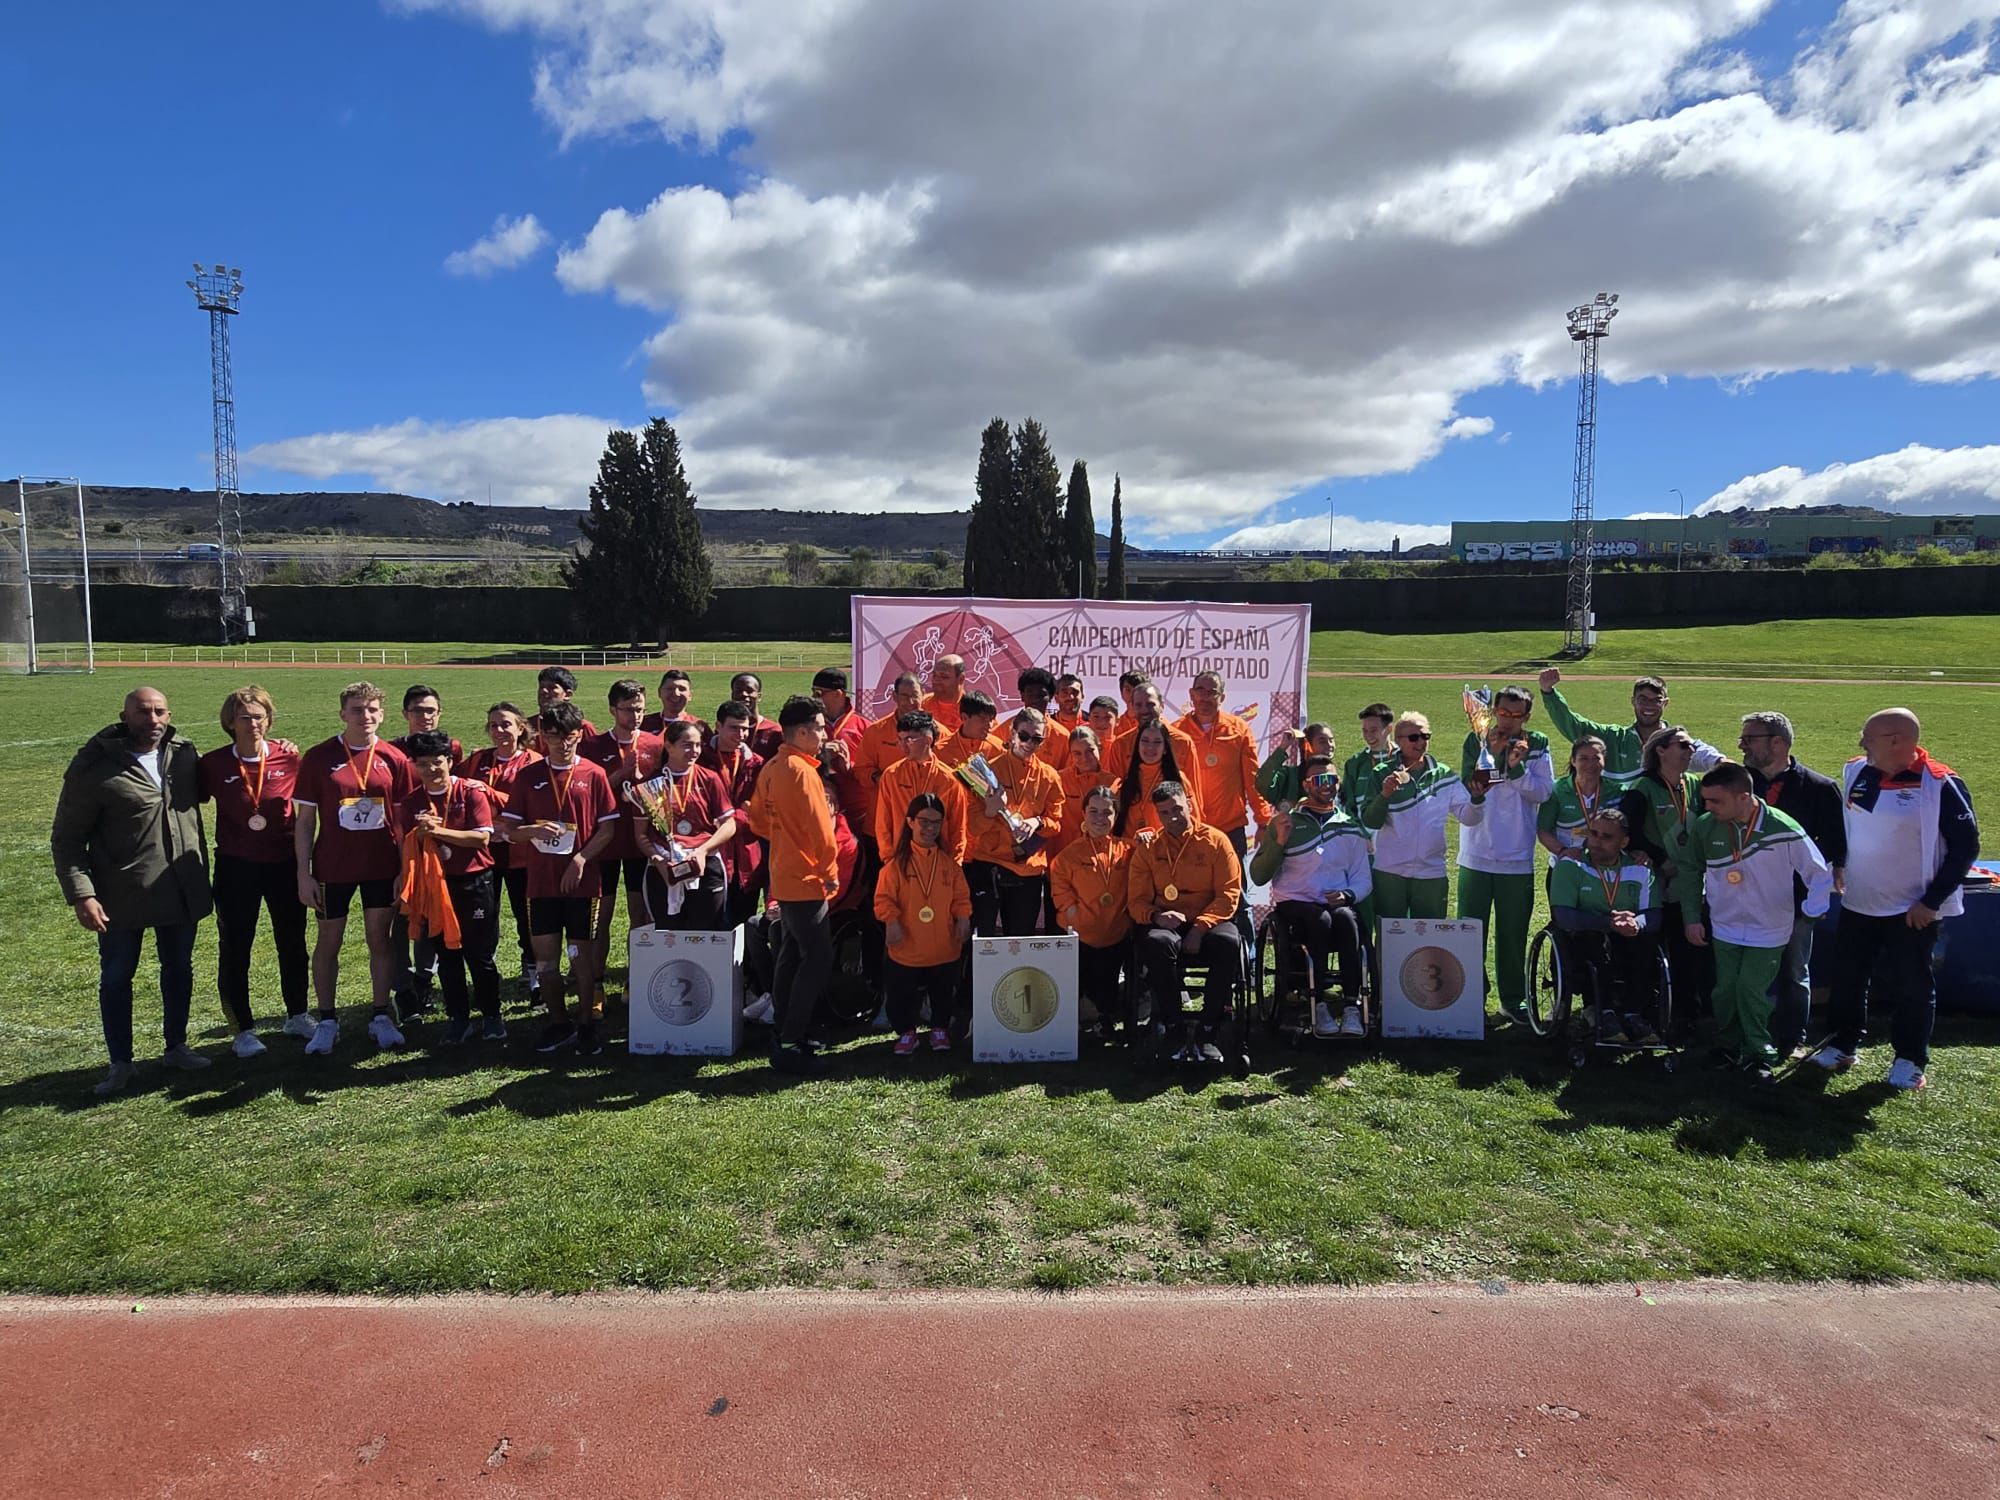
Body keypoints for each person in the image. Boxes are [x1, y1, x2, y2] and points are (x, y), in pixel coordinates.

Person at [52, 686, 216, 1095]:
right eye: (143, 713)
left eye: (160, 712)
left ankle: (176, 1046)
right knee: (116, 976)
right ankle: (120, 1063)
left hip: (179, 889)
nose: (153, 720)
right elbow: (68, 837)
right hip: (119, 896)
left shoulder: (183, 753)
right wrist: (82, 894)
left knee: (178, 969)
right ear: (124, 716)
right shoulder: (94, 766)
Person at [1810, 708, 1979, 1091]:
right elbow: (1848, 826)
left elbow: (1966, 846)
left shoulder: (1940, 783)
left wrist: (1931, 901)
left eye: (1868, 736)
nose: (1861, 743)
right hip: (1859, 900)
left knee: (1912, 985)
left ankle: (1909, 1059)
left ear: (1897, 741)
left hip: (1912, 909)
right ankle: (1841, 1043)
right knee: (1849, 977)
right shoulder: (1856, 771)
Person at [1682, 762, 1834, 1077]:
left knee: (1750, 989)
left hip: (1770, 928)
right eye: (1705, 801)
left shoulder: (1782, 827)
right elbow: (1690, 870)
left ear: (1743, 797)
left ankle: (1758, 1051)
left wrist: (1811, 910)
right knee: (1724, 990)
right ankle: (1727, 1044)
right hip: (1724, 924)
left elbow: (1818, 871)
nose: (1708, 808)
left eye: (1715, 801)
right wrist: (1692, 917)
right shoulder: (1706, 826)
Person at [292, 681, 416, 1055]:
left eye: (373, 710)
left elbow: (404, 821)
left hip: (381, 864)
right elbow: (304, 821)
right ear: (343, 713)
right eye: (358, 710)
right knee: (329, 941)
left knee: (380, 939)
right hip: (333, 867)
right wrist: (303, 871)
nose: (366, 717)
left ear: (383, 713)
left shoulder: (394, 758)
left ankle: (380, 1014)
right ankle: (327, 1020)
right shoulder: (318, 757)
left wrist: (404, 869)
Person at [501, 700, 619, 1056]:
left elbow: (607, 829)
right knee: (547, 961)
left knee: (580, 957)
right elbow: (507, 829)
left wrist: (581, 859)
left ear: (579, 735)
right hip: (541, 883)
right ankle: (557, 1023)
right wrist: (532, 830)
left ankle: (586, 1024)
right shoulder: (529, 776)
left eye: (568, 736)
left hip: (582, 883)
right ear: (542, 738)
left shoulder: (594, 774)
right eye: (553, 736)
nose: (561, 743)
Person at [198, 686, 310, 1056]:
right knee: (236, 946)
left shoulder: (290, 758)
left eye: (259, 716)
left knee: (292, 942)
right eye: (244, 717)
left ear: (269, 719)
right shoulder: (213, 765)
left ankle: (297, 1013)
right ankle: (242, 1029)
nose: (253, 723)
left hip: (285, 863)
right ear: (230, 722)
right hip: (236, 866)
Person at [737, 695, 842, 1075]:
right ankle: (790, 1038)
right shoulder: (803, 771)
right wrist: (828, 870)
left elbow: (757, 822)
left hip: (784, 873)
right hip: (808, 878)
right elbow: (822, 830)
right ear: (801, 731)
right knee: (816, 957)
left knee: (793, 954)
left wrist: (784, 843)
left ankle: (784, 1030)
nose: (823, 732)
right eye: (818, 726)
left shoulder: (773, 767)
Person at [1735, 711, 1847, 1057]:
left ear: (1778, 743)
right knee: (1744, 969)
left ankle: (1792, 1037)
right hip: (1743, 895)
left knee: (1794, 971)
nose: (1742, 745)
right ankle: (1744, 1033)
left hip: (1794, 899)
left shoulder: (1819, 788)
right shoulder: (1737, 783)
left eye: (1750, 738)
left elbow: (1834, 845)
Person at [1249, 754, 1372, 1037]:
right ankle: (1318, 1004)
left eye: (1330, 779)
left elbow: (1362, 877)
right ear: (1306, 785)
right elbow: (1258, 875)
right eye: (1318, 780)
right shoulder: (1285, 823)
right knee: (1321, 920)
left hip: (1334, 902)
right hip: (1294, 904)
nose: (1325, 785)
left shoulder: (1350, 826)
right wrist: (1279, 842)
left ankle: (1352, 1005)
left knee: (1347, 919)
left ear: (1338, 783)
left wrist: (1348, 895)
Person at [395, 730, 502, 1045]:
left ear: (450, 761)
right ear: (414, 765)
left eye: (437, 762)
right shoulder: (412, 801)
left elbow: (482, 837)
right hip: (435, 885)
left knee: (479, 954)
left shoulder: (470, 792)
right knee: (447, 954)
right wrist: (419, 835)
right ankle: (459, 1019)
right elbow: (407, 843)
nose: (431, 769)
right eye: (424, 764)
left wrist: (438, 831)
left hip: (474, 881)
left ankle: (492, 1016)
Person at [1127, 781, 1245, 1063]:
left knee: (1228, 942)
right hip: (1168, 922)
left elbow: (1229, 893)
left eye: (1178, 809)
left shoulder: (1216, 841)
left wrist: (1201, 927)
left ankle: (1209, 1029)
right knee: (1156, 943)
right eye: (1164, 813)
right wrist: (1156, 916)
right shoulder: (1149, 847)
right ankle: (1173, 1027)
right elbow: (1136, 902)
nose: (1173, 817)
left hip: (1210, 920)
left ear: (1189, 804)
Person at [1456, 686, 1553, 1026]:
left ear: (1527, 716)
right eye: (1503, 713)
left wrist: (1516, 768)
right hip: (1475, 854)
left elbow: (1543, 791)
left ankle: (1512, 1001)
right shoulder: (1476, 738)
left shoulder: (1537, 743)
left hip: (1516, 855)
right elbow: (1469, 787)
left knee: (1512, 936)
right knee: (1470, 932)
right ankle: (1469, 997)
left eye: (1517, 715)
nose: (1508, 721)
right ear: (1494, 710)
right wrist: (1493, 755)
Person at [580, 679, 665, 1010]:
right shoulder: (593, 747)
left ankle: (637, 978)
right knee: (600, 916)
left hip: (640, 845)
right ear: (613, 709)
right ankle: (597, 985)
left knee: (640, 914)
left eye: (641, 709)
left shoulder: (656, 745)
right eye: (629, 709)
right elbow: (587, 794)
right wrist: (619, 774)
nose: (636, 715)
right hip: (603, 845)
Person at [1549, 808, 1665, 1045]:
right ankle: (1604, 1012)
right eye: (1593, 834)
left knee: (1646, 940)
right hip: (1584, 935)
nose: (1597, 842)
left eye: (1606, 837)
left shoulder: (1640, 867)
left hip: (1626, 935)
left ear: (1624, 842)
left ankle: (1634, 1013)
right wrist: (1608, 923)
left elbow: (1652, 915)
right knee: (1593, 939)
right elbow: (1563, 916)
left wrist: (1634, 923)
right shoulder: (1571, 864)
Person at [1620, 725, 1709, 1026]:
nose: (1690, 751)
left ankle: (1690, 1012)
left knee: (1691, 949)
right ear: (1660, 750)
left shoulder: (1694, 784)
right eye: (1683, 746)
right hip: (1657, 883)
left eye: (1691, 746)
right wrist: (1661, 859)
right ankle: (1648, 1010)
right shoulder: (1642, 788)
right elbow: (1627, 832)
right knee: (1652, 948)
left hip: (1691, 881)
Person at [1360, 712, 1484, 920]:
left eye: (1425, 736)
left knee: (1430, 942)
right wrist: (1385, 795)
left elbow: (1469, 818)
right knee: (1390, 941)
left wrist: (1477, 800)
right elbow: (1370, 821)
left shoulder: (1444, 775)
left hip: (1431, 873)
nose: (1421, 742)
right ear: (1398, 740)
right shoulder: (1382, 773)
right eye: (1413, 737)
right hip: (1390, 872)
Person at [875, 792, 973, 1054]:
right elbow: (883, 899)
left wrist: (963, 917)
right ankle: (907, 1031)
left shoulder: (948, 864)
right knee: (901, 993)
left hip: (943, 944)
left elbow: (961, 897)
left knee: (943, 989)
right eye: (924, 821)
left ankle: (939, 1028)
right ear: (910, 822)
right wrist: (891, 922)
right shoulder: (894, 866)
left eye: (936, 822)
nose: (929, 828)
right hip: (907, 945)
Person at [458, 703, 543, 998]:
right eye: (493, 725)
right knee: (484, 917)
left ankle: (534, 976)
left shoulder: (535, 762)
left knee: (526, 917)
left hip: (522, 852)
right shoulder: (478, 760)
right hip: (485, 853)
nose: (499, 731)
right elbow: (459, 792)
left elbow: (532, 803)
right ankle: (486, 977)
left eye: (505, 724)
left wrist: (488, 793)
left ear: (521, 728)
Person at [388, 684, 462, 1015]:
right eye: (417, 710)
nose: (424, 716)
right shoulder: (390, 752)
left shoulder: (452, 748)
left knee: (436, 912)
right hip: (401, 844)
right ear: (405, 714)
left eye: (430, 710)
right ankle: (405, 990)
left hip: (440, 846)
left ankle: (426, 980)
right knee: (404, 918)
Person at [963, 707, 1065, 936]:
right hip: (989, 862)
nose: (1029, 743)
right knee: (983, 937)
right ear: (1012, 733)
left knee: (1020, 938)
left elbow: (1056, 822)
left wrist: (1037, 822)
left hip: (1027, 866)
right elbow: (972, 825)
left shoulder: (1050, 776)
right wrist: (990, 811)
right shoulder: (989, 771)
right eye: (1024, 736)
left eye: (1037, 739)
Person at [1537, 668, 1720, 791]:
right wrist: (1549, 693)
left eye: (1655, 700)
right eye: (1642, 699)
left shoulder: (1676, 742)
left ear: (1665, 703)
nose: (1649, 706)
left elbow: (1703, 754)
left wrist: (1721, 761)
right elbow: (1573, 724)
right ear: (1632, 701)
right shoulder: (1613, 738)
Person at [631, 719, 737, 930]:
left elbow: (729, 824)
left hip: (705, 865)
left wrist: (702, 851)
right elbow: (641, 835)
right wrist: (658, 859)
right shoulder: (651, 785)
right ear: (669, 746)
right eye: (687, 745)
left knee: (707, 931)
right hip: (664, 868)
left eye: (698, 745)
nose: (694, 751)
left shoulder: (709, 778)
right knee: (668, 933)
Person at [1049, 784, 1135, 1039]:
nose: (1100, 818)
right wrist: (1076, 916)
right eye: (1094, 811)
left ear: (1115, 816)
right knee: (1079, 979)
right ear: (1084, 813)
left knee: (1108, 982)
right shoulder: (1067, 856)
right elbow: (1061, 894)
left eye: (1106, 812)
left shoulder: (1130, 851)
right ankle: (1072, 1021)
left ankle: (1105, 1018)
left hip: (1117, 934)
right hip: (1081, 936)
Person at [1176, 670, 1274, 882]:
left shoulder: (1239, 729)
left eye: (1212, 692)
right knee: (1192, 892)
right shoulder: (1176, 732)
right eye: (1200, 690)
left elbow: (1252, 778)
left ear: (1222, 697)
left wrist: (1263, 820)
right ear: (1191, 694)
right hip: (1190, 828)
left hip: (1230, 827)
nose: (1205, 697)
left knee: (1237, 894)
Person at [702, 700, 768, 926]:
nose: (741, 734)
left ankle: (743, 962)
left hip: (745, 854)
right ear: (718, 726)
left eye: (745, 728)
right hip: (710, 848)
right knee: (712, 917)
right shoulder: (700, 759)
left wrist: (728, 819)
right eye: (734, 727)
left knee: (743, 918)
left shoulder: (757, 763)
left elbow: (759, 808)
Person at [874, 710, 970, 862]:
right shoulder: (891, 775)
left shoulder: (950, 779)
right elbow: (883, 823)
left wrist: (954, 865)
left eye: (909, 740)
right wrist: (888, 859)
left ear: (927, 739)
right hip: (900, 860)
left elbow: (958, 828)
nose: (903, 746)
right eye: (900, 740)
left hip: (938, 861)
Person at [1113, 719, 1203, 838]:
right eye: (1145, 741)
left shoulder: (1177, 779)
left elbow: (1193, 821)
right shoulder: (1125, 779)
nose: (1150, 747)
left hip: (1166, 851)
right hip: (1131, 851)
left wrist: (1155, 837)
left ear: (1165, 748)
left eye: (1157, 742)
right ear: (1137, 746)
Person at [1537, 736, 1610, 864]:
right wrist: (1563, 851)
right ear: (1573, 761)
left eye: (1596, 758)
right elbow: (1543, 830)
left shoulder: (1618, 792)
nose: (1590, 764)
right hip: (1565, 864)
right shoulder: (1556, 790)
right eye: (1583, 758)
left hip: (1603, 867)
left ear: (1604, 760)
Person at [1259, 721, 1335, 812]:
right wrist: (1282, 748)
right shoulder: (1289, 776)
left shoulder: (1335, 776)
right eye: (1322, 741)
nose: (1330, 745)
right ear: (1307, 745)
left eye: (1331, 740)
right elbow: (1262, 784)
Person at [1341, 704, 1395, 822]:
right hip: (1365, 835)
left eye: (1374, 730)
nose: (1368, 735)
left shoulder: (1403, 757)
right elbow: (1349, 806)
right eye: (1365, 731)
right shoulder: (1354, 764)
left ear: (1389, 728)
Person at [528, 666, 598, 755]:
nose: (544, 691)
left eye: (552, 687)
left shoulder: (583, 727)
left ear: (567, 695)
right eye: (541, 686)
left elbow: (596, 760)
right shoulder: (526, 725)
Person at [939, 690, 1007, 770]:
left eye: (991, 719)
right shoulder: (940, 750)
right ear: (964, 717)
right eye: (983, 718)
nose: (989, 725)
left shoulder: (999, 748)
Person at [730, 673, 784, 760]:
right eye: (738, 690)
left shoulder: (774, 731)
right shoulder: (726, 728)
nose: (743, 694)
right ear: (732, 695)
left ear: (759, 696)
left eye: (749, 690)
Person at [640, 668, 699, 735]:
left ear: (690, 695)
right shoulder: (643, 724)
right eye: (669, 689)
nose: (676, 694)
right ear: (659, 692)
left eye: (682, 689)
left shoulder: (699, 726)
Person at [921, 653, 967, 733]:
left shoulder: (975, 710)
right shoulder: (920, 705)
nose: (936, 681)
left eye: (944, 676)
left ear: (961, 679)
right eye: (935, 676)